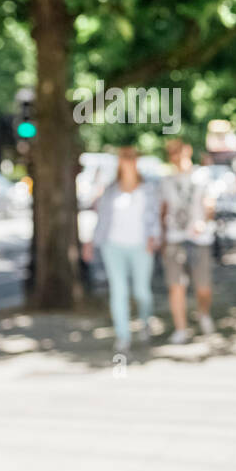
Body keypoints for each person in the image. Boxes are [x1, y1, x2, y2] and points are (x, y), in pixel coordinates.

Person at [84, 146, 159, 353]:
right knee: (119, 291)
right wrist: (91, 242)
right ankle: (123, 336)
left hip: (141, 245)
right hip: (113, 245)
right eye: (124, 158)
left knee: (141, 291)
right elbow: (102, 220)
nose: (127, 162)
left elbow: (155, 217)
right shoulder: (110, 190)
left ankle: (144, 321)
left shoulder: (148, 189)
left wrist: (155, 238)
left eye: (131, 158)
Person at [159, 138, 216, 344]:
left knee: (203, 286)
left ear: (188, 151)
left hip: (199, 239)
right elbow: (162, 211)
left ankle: (203, 313)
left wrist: (203, 220)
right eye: (172, 152)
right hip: (175, 238)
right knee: (176, 286)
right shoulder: (166, 182)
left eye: (179, 151)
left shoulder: (202, 177)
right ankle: (181, 328)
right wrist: (161, 238)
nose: (176, 156)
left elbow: (210, 205)